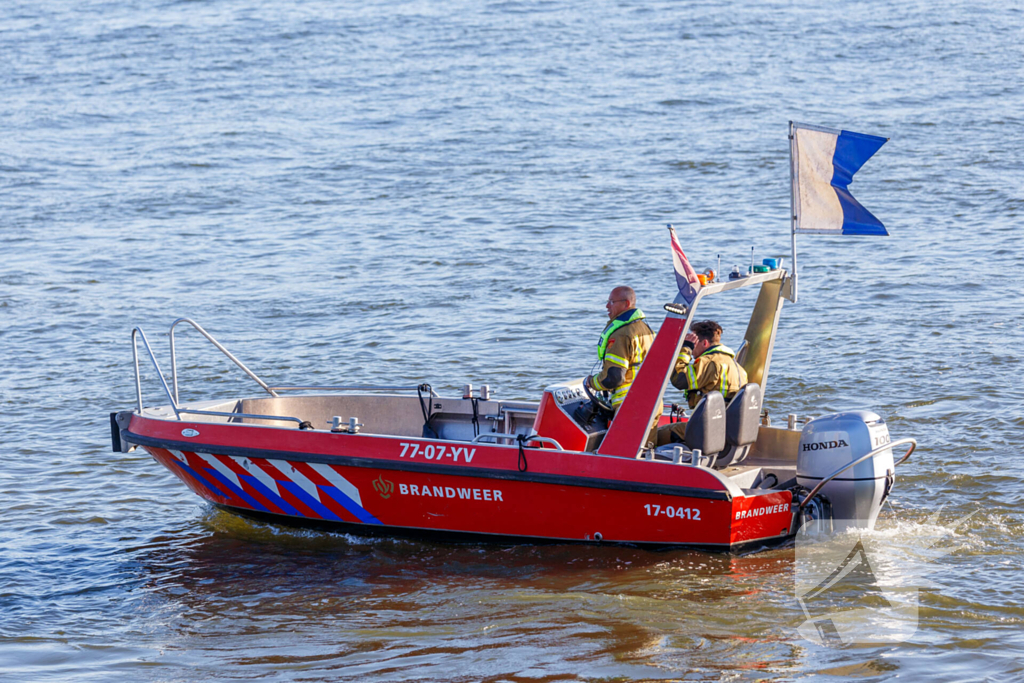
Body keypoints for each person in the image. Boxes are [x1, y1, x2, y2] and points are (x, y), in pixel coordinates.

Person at [659, 320, 748, 444]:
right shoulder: (737, 367)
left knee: (654, 435)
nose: (692, 348)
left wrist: (686, 349)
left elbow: (679, 380)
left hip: (707, 429)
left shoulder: (708, 362)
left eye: (694, 343)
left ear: (704, 343)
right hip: (725, 427)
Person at [584, 286, 654, 414]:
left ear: (626, 304)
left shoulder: (621, 334)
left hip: (629, 405)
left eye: (611, 302)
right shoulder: (646, 329)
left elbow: (613, 378)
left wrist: (591, 382)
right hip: (652, 402)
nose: (607, 306)